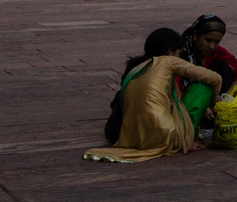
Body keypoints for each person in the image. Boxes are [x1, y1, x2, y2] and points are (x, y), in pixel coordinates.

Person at [86, 28, 224, 163]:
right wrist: (214, 100)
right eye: (178, 54)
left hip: (135, 137)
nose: (179, 58)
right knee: (203, 86)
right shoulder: (167, 60)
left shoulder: (135, 69)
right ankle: (187, 138)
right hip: (165, 135)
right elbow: (215, 78)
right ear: (170, 51)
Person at [178, 15, 237, 134]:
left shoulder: (217, 52)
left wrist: (225, 99)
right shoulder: (181, 54)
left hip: (213, 99)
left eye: (217, 42)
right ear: (195, 35)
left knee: (222, 67)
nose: (212, 46)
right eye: (208, 40)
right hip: (190, 101)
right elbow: (178, 90)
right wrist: (204, 106)